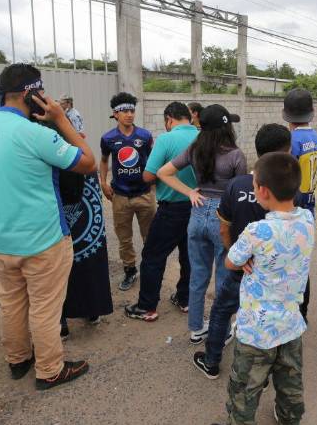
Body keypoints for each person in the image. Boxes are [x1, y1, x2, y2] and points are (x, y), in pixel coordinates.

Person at [0, 63, 96, 390]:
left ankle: (18, 359)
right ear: (29, 94)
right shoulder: (37, 134)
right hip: (44, 240)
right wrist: (61, 119)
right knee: (45, 309)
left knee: (11, 303)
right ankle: (50, 370)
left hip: (1, 240)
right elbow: (88, 162)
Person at [207, 152, 314, 425]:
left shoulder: (257, 232)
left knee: (246, 386)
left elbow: (230, 261)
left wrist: (248, 257)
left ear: (263, 191)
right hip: (291, 323)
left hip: (257, 328)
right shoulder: (307, 219)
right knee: (290, 378)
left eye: (254, 184)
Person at [193, 123, 293, 379]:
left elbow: (224, 228)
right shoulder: (291, 191)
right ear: (288, 151)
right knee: (272, 319)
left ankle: (212, 361)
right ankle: (267, 372)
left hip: (240, 268)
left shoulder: (236, 185)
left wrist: (235, 256)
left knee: (221, 311)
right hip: (273, 273)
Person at [157, 104, 246, 344]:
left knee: (198, 275)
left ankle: (196, 328)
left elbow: (163, 173)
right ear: (226, 128)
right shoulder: (235, 155)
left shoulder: (194, 149)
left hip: (197, 214)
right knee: (224, 279)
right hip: (222, 218)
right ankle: (223, 330)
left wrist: (190, 193)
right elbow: (238, 194)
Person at [124, 102, 198, 321]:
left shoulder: (166, 139)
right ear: (190, 118)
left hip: (171, 210)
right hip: (198, 208)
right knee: (189, 256)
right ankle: (184, 299)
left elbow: (148, 175)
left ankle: (147, 307)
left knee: (152, 256)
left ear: (169, 119)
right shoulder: (204, 137)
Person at [59, 101, 113, 340]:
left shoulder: (44, 159)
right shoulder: (83, 157)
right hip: (86, 227)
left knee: (56, 274)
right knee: (88, 263)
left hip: (59, 228)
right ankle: (91, 310)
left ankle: (61, 322)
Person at [100, 92, 155, 291]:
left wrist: (153, 187)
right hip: (120, 196)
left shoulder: (145, 136)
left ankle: (150, 269)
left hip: (144, 194)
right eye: (124, 111)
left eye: (131, 110)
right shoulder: (108, 138)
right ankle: (130, 270)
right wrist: (103, 183)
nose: (129, 114)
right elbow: (104, 161)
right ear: (115, 114)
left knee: (149, 236)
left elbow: (152, 161)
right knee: (124, 238)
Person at [282, 88, 317, 320]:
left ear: (286, 114)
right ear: (312, 112)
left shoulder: (291, 140)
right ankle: (302, 314)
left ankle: (291, 314)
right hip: (310, 208)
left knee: (287, 265)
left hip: (292, 209)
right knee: (302, 264)